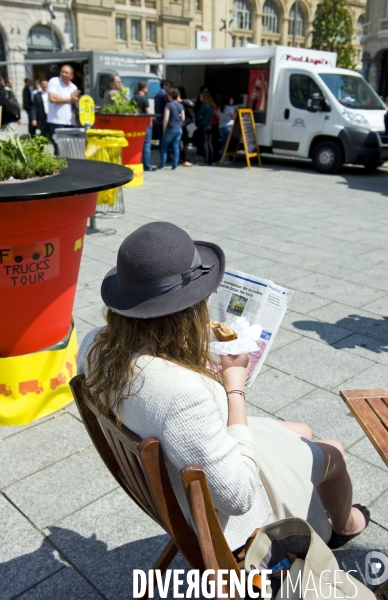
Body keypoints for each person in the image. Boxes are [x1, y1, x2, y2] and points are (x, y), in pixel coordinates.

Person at [78, 221, 370, 555]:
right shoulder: (182, 394)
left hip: (172, 475)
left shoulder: (93, 344)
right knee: (333, 451)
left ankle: (319, 508)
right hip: (216, 517)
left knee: (302, 429)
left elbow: (151, 394)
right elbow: (238, 497)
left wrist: (190, 365)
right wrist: (234, 387)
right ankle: (343, 527)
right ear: (186, 311)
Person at [47, 64, 79, 155]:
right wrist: (70, 99)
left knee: (69, 148)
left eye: (66, 73)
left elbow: (74, 103)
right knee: (59, 147)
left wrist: (76, 101)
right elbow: (52, 99)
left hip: (70, 121)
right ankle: (57, 168)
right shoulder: (54, 81)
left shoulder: (74, 87)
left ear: (71, 76)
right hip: (57, 121)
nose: (63, 74)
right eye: (62, 71)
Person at [158, 87, 184, 170]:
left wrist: (164, 128)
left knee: (164, 146)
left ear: (171, 95)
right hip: (178, 128)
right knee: (176, 146)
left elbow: (166, 118)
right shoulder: (181, 105)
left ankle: (162, 163)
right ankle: (174, 164)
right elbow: (183, 118)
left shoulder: (168, 105)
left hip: (170, 128)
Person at [132, 80, 154, 172]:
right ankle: (147, 165)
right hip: (145, 125)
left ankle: (136, 161)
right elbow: (148, 113)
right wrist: (151, 123)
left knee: (136, 144)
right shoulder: (144, 98)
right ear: (144, 88)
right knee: (146, 145)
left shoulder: (133, 98)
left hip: (135, 125)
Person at [196, 90, 215, 166]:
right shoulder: (211, 106)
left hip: (204, 125)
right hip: (210, 125)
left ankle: (206, 160)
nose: (200, 98)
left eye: (201, 97)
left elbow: (198, 115)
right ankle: (211, 159)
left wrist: (200, 117)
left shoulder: (203, 106)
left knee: (205, 143)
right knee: (210, 143)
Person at [154, 79, 172, 146]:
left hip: (159, 119)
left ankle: (162, 152)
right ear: (164, 86)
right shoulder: (164, 95)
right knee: (165, 138)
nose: (170, 88)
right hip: (164, 119)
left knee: (161, 137)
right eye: (169, 86)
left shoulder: (157, 95)